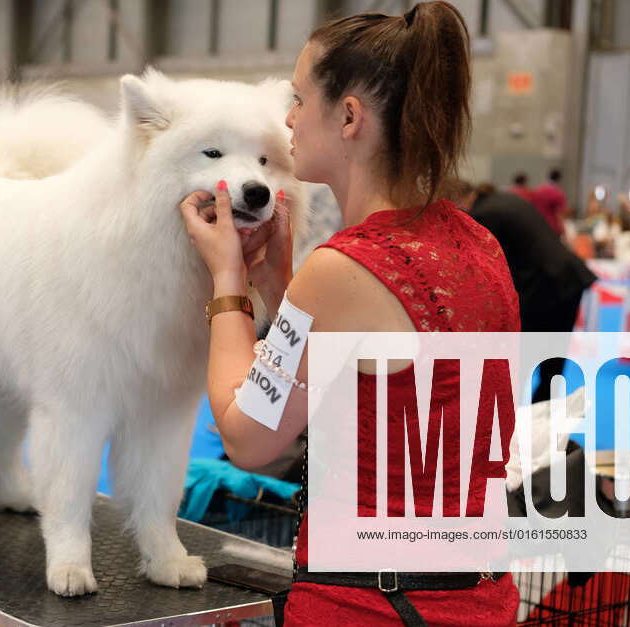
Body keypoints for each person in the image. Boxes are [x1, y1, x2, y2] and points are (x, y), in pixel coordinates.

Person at [178, 4, 520, 625]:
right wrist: (282, 287)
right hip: (477, 600)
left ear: (349, 117)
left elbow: (247, 437)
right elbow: (364, 379)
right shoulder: (478, 245)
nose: (288, 118)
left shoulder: (344, 268)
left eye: (300, 98)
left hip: (371, 605)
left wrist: (227, 282)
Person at [457, 182, 596, 403]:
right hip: (565, 279)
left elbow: (485, 268)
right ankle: (541, 426)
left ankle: (515, 425)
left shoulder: (484, 214)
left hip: (546, 286)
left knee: (519, 362)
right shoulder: (506, 200)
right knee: (551, 364)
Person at [531, 169, 567, 237]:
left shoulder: (538, 190)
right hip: (552, 229)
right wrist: (564, 232)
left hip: (538, 227)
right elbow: (560, 215)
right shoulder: (558, 193)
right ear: (559, 179)